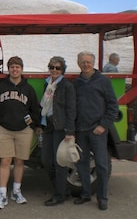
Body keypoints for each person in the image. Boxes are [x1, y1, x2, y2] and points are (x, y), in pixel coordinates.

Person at [0, 56, 40, 209]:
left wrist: (30, 125)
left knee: (19, 161)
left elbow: (34, 111)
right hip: (4, 130)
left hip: (23, 131)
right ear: (9, 70)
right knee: (5, 161)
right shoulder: (1, 87)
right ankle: (2, 194)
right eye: (12, 67)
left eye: (17, 67)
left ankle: (16, 191)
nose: (15, 70)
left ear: (21, 69)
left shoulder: (28, 89)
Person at [73, 51, 118, 211]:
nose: (86, 65)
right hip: (81, 131)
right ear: (78, 63)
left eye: (88, 62)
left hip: (97, 131)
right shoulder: (76, 83)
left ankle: (102, 198)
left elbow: (113, 106)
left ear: (93, 63)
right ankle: (85, 194)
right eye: (83, 62)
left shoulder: (103, 81)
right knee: (82, 164)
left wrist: (103, 125)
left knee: (101, 165)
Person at [40, 56, 76, 206]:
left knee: (59, 161)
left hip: (60, 127)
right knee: (46, 160)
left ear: (62, 71)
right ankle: (63, 188)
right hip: (47, 125)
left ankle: (60, 194)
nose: (54, 70)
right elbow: (45, 106)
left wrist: (69, 131)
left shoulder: (67, 86)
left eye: (58, 68)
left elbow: (71, 109)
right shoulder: (47, 83)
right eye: (52, 67)